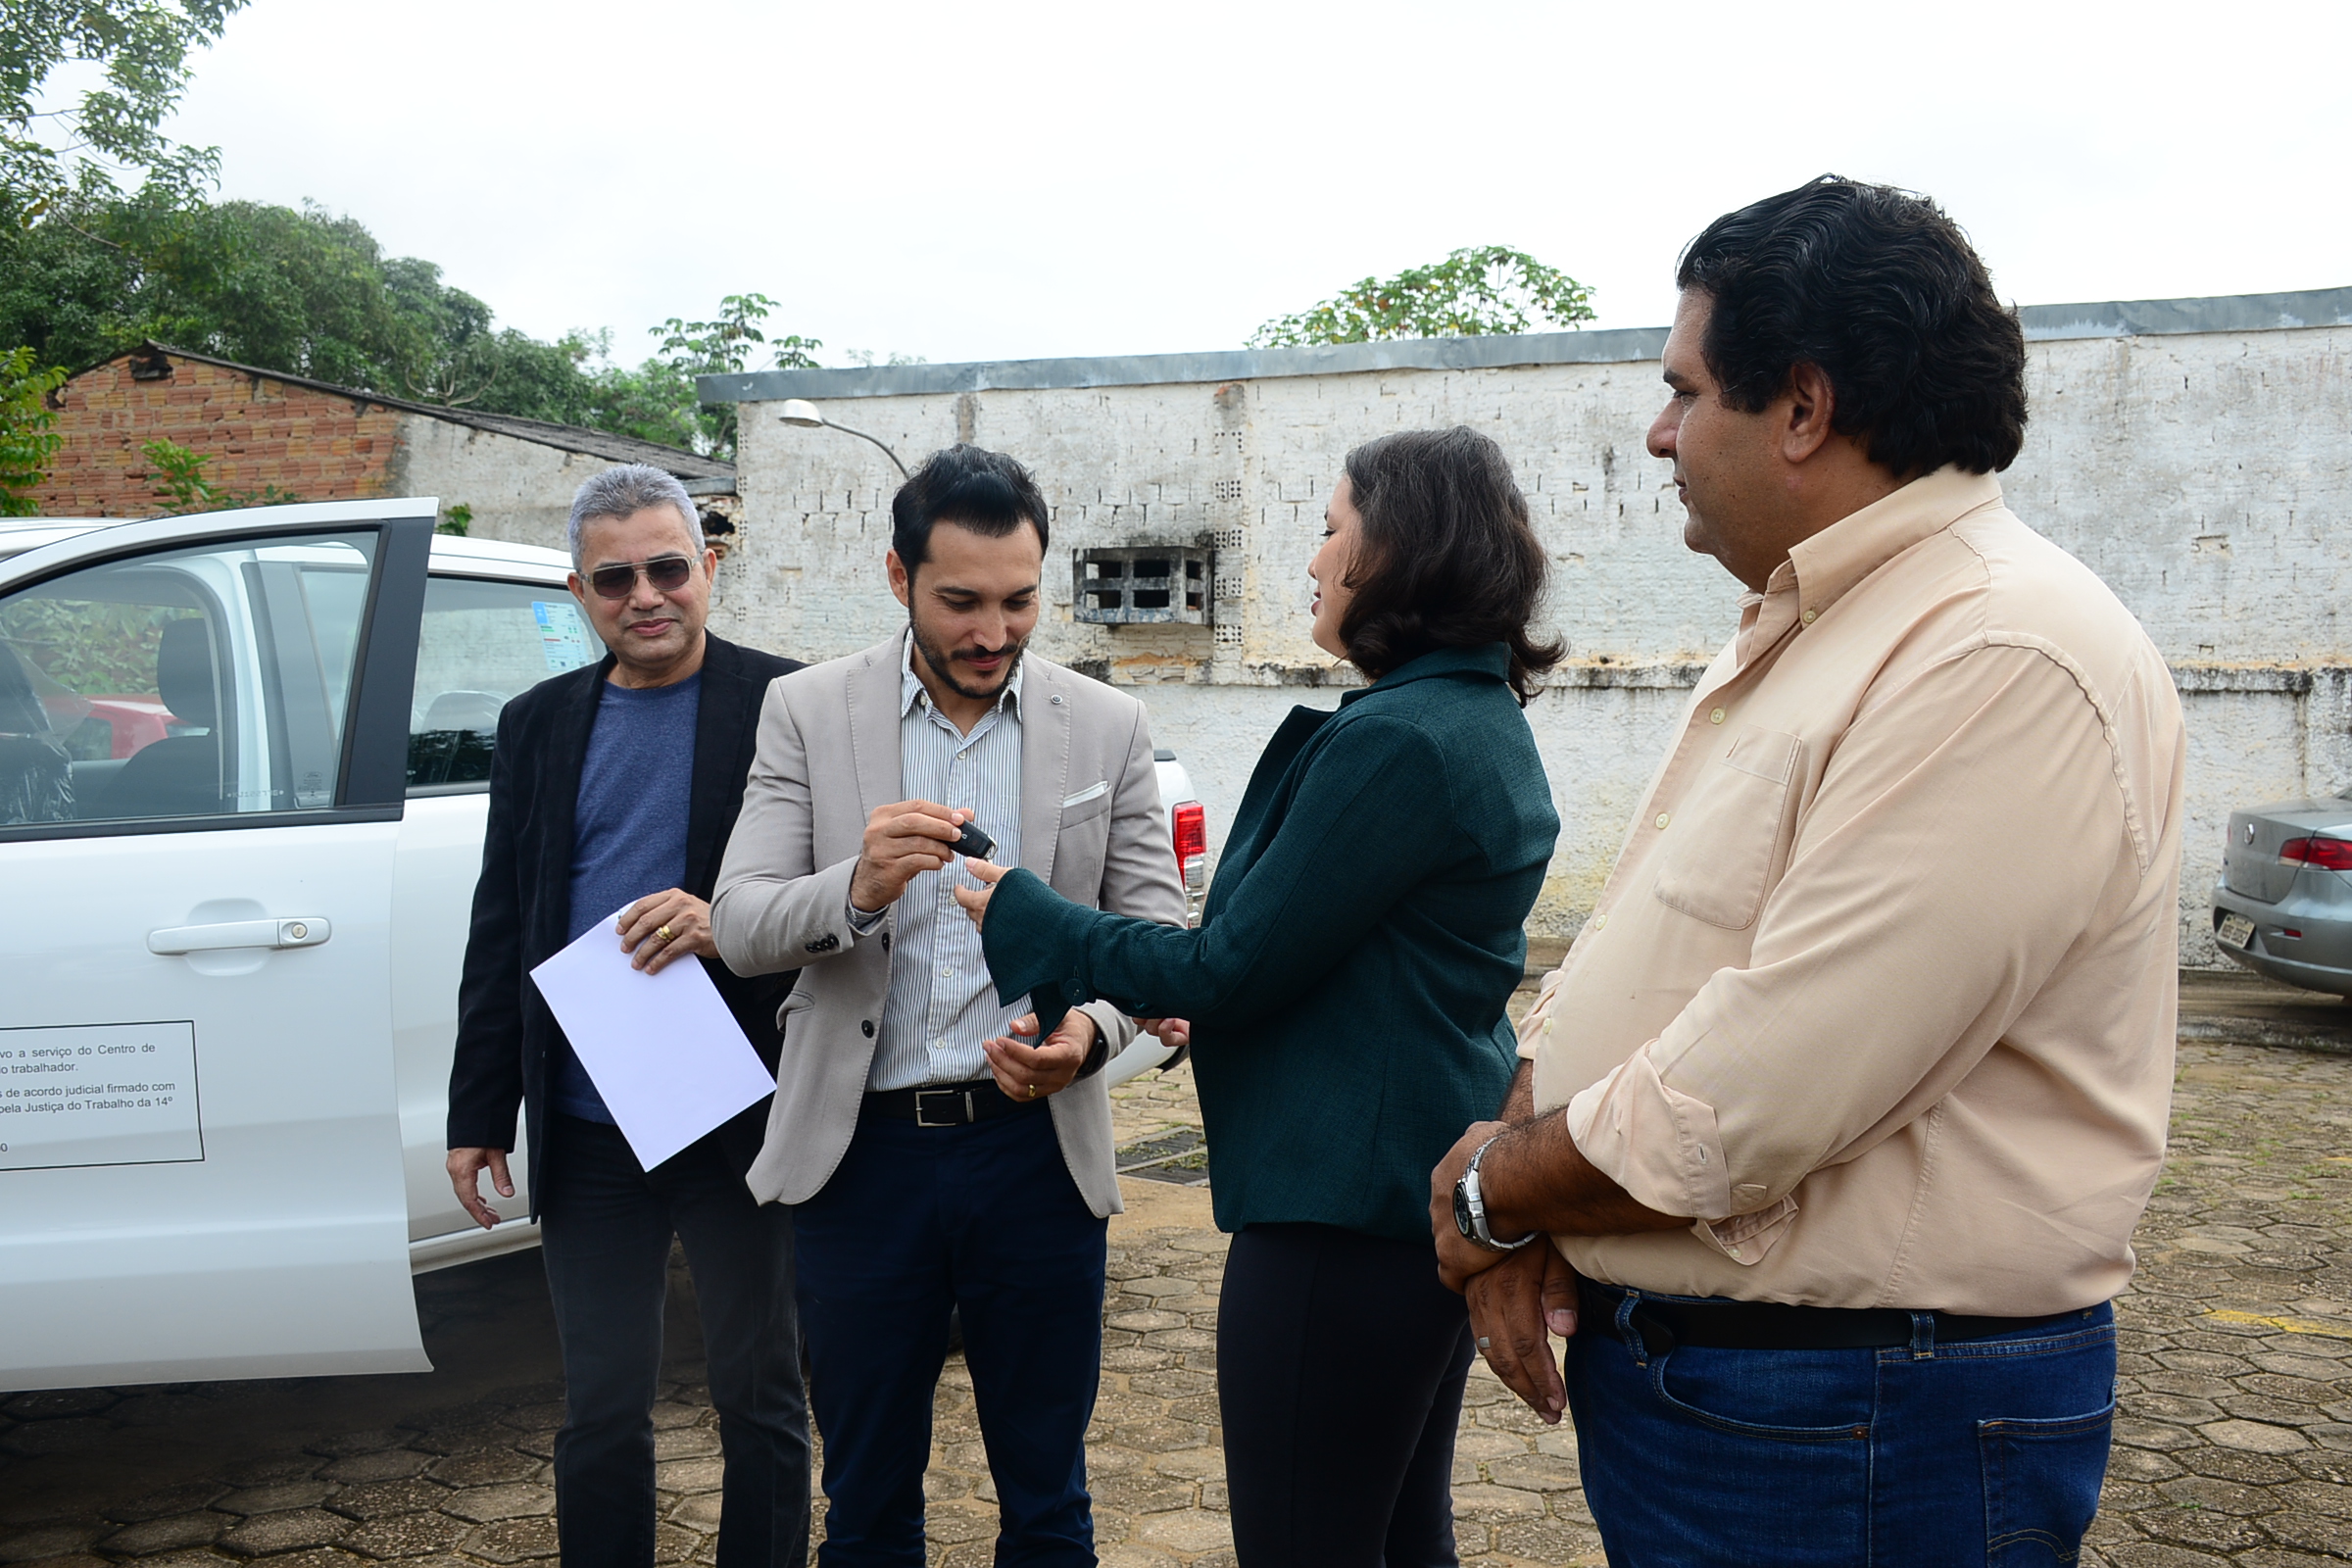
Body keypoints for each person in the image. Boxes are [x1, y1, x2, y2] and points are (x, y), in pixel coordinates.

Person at [1428, 176, 2187, 1567]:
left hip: (1862, 1417)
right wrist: (1525, 1151)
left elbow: (1759, 1090)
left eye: (1685, 390)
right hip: (1769, 1401)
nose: (1658, 435)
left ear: (1802, 407)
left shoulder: (1996, 653)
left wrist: (1491, 1195)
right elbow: (1651, 950)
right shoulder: (1822, 623)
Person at [956, 425, 1563, 1568]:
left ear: (1400, 553)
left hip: (1341, 1211)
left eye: (1333, 529)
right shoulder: (1475, 717)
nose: (1316, 560)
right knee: (1392, 1536)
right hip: (1412, 1197)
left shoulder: (1400, 743)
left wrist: (1029, 915)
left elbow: (1227, 969)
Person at [709, 443, 1187, 1567]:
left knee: (1049, 1501)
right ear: (898, 577)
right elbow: (739, 923)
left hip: (1035, 1161)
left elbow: (1155, 946)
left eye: (1019, 600)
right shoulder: (806, 711)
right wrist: (857, 888)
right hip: (862, 1162)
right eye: (961, 601)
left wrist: (1089, 1034)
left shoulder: (1105, 724)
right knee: (867, 1506)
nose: (992, 630)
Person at [445, 464, 810, 1568]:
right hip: (588, 1117)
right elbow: (503, 918)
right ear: (578, 591)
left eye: (668, 567)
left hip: (739, 1105)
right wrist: (480, 1108)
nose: (645, 595)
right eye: (616, 578)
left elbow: (841, 892)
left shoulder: (783, 702)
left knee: (761, 1392)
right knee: (600, 1408)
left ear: (709, 567)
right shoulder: (537, 723)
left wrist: (731, 920)